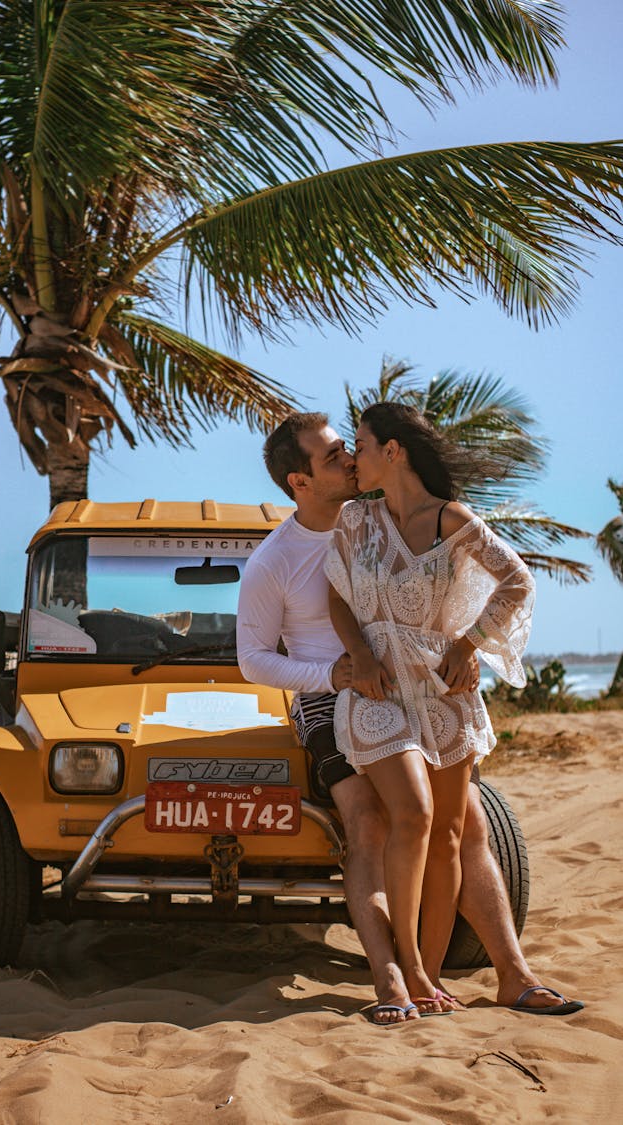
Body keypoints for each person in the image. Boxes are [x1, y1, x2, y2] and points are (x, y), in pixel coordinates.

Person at [237, 410, 583, 1025]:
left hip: (419, 683)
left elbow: (460, 586)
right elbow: (253, 659)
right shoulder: (274, 561)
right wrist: (338, 673)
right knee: (372, 821)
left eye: (352, 447)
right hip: (330, 692)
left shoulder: (369, 514)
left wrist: (465, 646)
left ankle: (514, 973)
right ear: (300, 483)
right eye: (333, 455)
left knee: (468, 826)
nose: (348, 458)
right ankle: (393, 976)